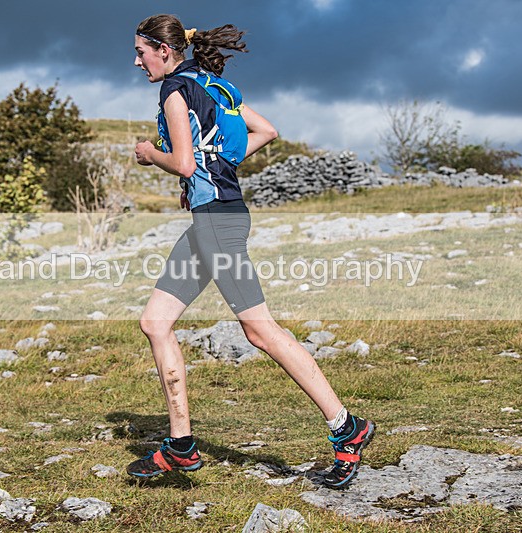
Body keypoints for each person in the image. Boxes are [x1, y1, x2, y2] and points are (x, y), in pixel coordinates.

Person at [126, 13, 375, 489]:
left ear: (164, 49)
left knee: (261, 332)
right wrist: (216, 165)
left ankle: (348, 429)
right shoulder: (213, 84)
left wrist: (148, 152)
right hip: (215, 219)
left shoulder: (176, 90)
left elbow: (180, 162)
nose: (136, 60)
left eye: (141, 51)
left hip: (218, 223)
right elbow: (266, 131)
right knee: (155, 323)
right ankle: (181, 446)